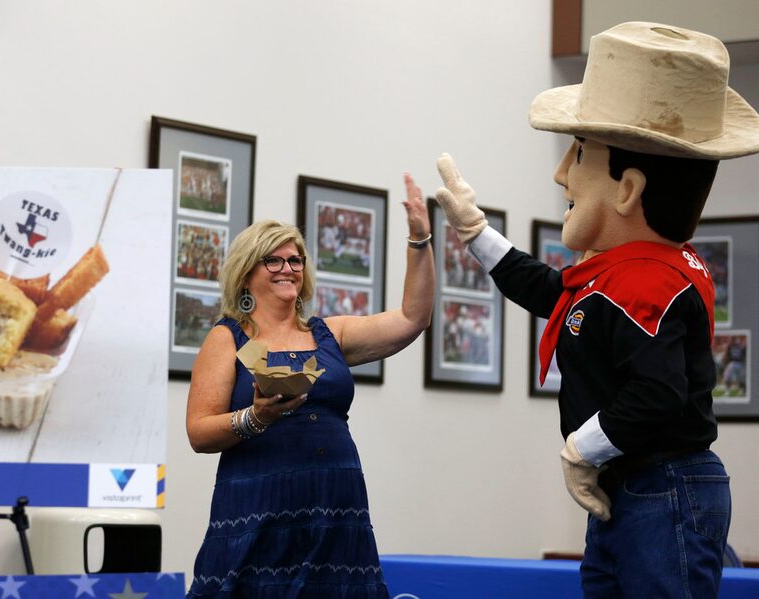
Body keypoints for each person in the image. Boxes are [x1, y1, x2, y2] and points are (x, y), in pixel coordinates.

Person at [435, 22, 759, 598]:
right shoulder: (629, 274)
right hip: (640, 487)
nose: (562, 173)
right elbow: (557, 293)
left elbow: (656, 395)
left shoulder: (645, 284)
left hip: (663, 489)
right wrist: (475, 231)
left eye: (580, 153)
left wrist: (582, 449)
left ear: (627, 191)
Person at [185, 173, 434, 598]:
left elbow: (413, 318)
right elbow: (199, 432)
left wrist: (419, 240)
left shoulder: (329, 334)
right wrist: (255, 417)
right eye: (274, 261)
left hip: (335, 504)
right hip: (258, 505)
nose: (288, 269)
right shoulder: (227, 337)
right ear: (247, 274)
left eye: (295, 260)